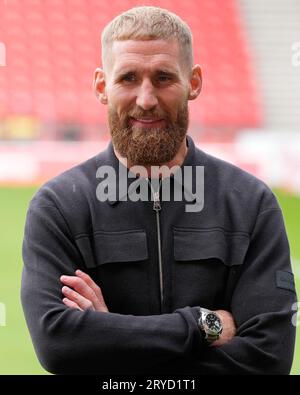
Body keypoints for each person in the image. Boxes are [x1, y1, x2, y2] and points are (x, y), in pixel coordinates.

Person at [21, 6, 297, 375]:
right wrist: (203, 325)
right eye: (129, 78)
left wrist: (109, 337)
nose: (146, 99)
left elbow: (269, 359)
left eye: (164, 78)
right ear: (102, 87)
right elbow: (58, 343)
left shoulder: (250, 205)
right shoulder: (59, 207)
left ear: (194, 82)